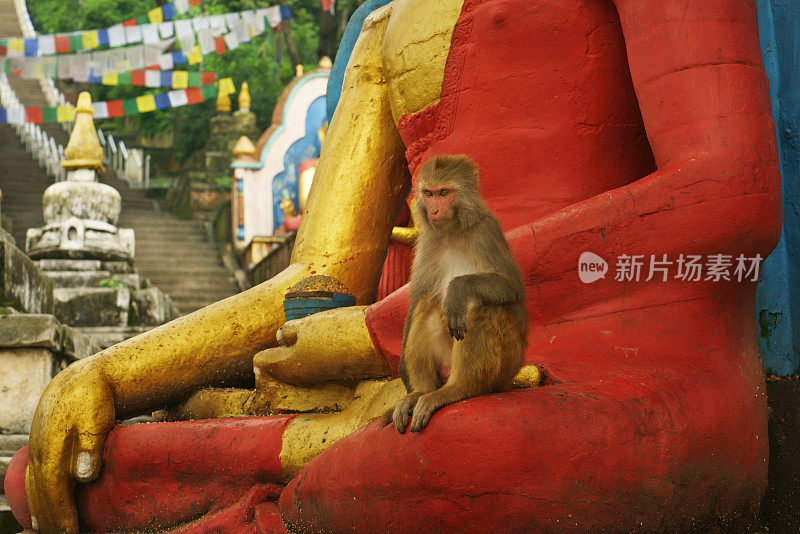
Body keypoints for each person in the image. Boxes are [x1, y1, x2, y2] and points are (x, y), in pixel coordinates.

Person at [7, 0, 781, 532]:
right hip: (414, 385)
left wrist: (381, 331)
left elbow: (731, 192)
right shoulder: (388, 27)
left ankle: (312, 481)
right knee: (61, 469)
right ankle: (318, 476)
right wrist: (110, 376)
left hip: (611, 362)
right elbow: (318, 281)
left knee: (469, 458)